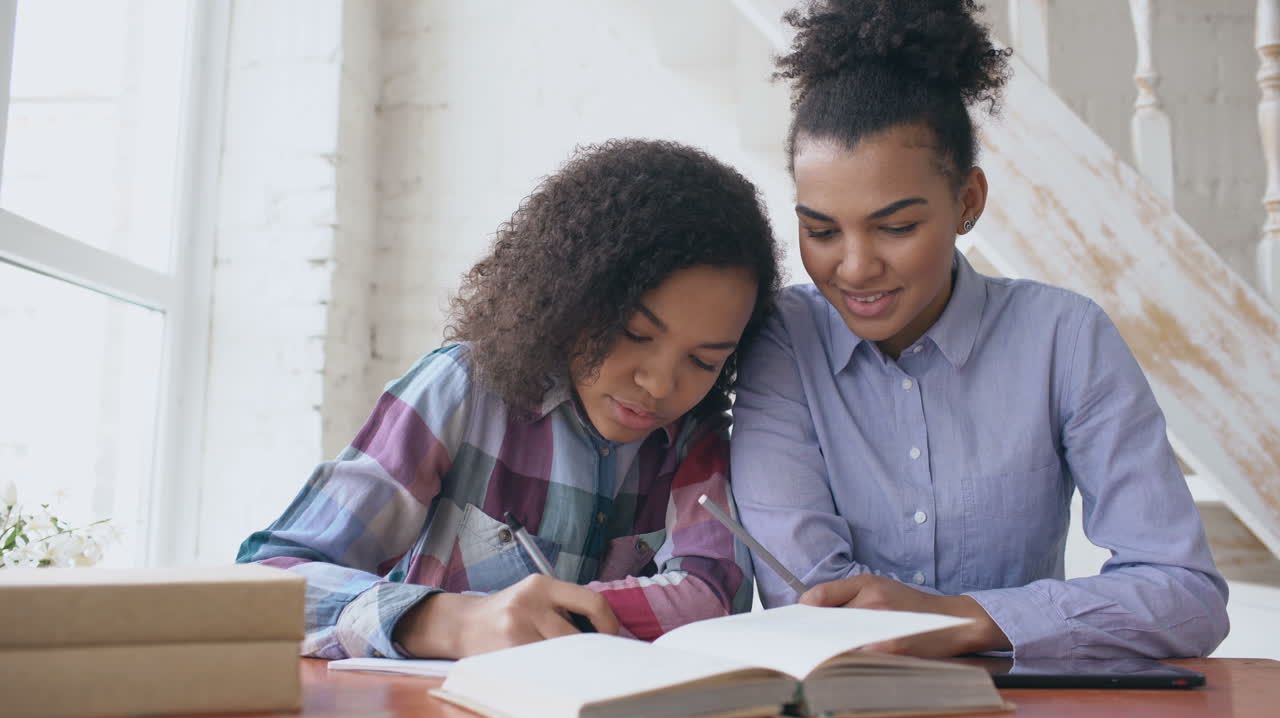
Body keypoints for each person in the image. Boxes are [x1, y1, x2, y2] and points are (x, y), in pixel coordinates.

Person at [730, 0, 1228, 659]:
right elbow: (813, 600)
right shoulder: (783, 340)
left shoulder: (1064, 338)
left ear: (967, 203)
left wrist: (961, 618)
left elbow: (1185, 596)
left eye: (897, 227)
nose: (853, 266)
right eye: (820, 231)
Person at [238, 138, 781, 659]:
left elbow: (712, 595)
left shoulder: (695, 435)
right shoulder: (461, 389)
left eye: (704, 361)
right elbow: (268, 581)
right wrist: (455, 621)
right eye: (635, 334)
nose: (662, 385)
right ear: (572, 295)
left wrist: (554, 619)